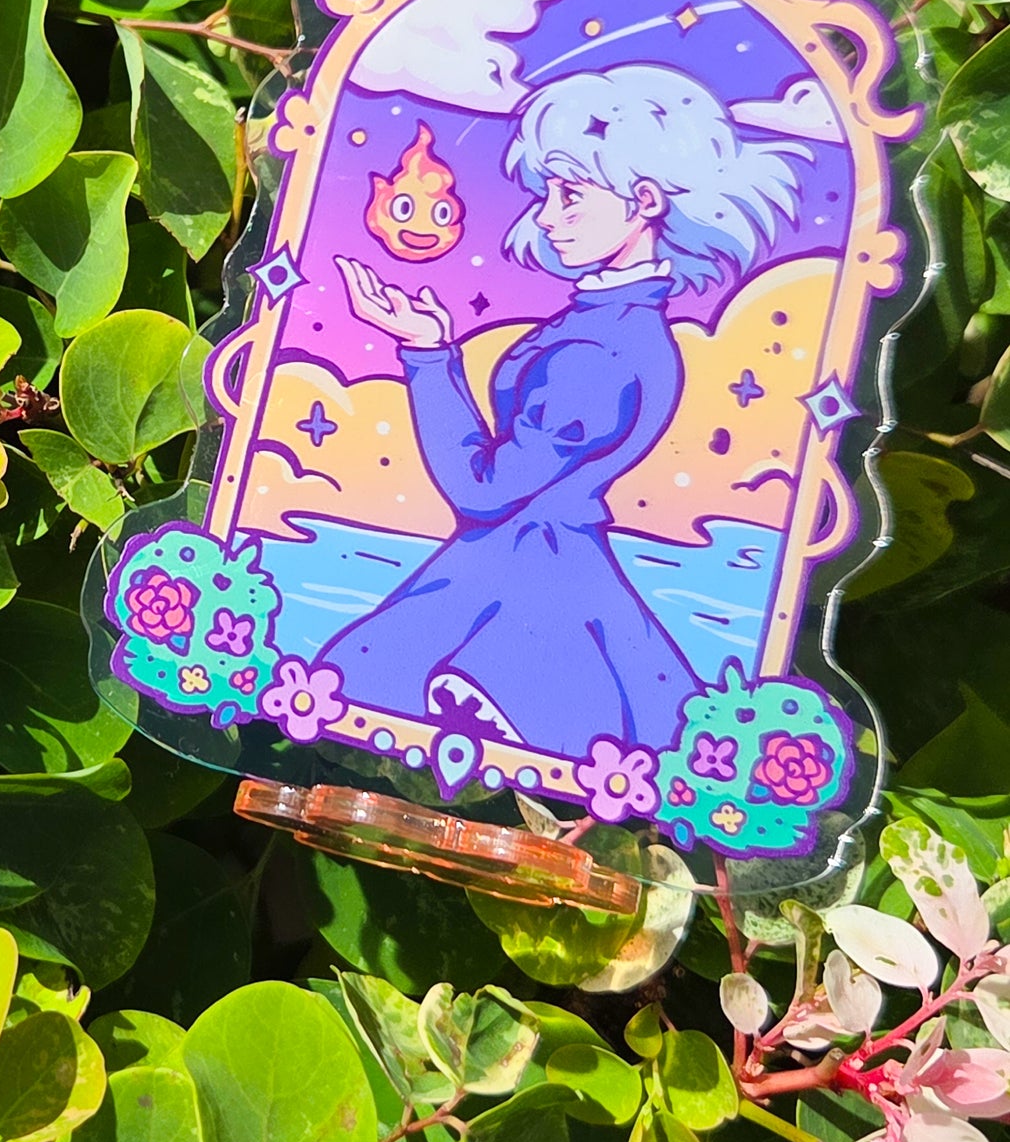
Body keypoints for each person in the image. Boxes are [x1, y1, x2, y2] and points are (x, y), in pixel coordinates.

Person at [317, 64, 806, 756]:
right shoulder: (609, 325)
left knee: (417, 698)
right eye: (546, 191)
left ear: (644, 201)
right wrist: (435, 347)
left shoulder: (599, 353)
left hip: (522, 574)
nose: (546, 215)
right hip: (532, 562)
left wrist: (427, 356)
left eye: (570, 194)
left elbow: (483, 488)